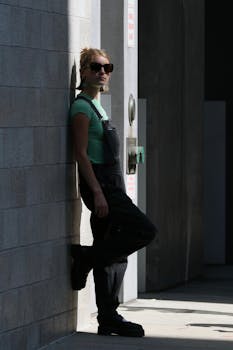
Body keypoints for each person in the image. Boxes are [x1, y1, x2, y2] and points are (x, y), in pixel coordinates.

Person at [70, 47, 157, 337]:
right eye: (96, 67)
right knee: (145, 230)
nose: (103, 72)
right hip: (102, 185)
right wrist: (97, 193)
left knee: (114, 255)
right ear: (84, 72)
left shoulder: (98, 106)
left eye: (108, 67)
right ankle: (86, 258)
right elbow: (81, 155)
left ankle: (108, 317)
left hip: (111, 184)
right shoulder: (82, 108)